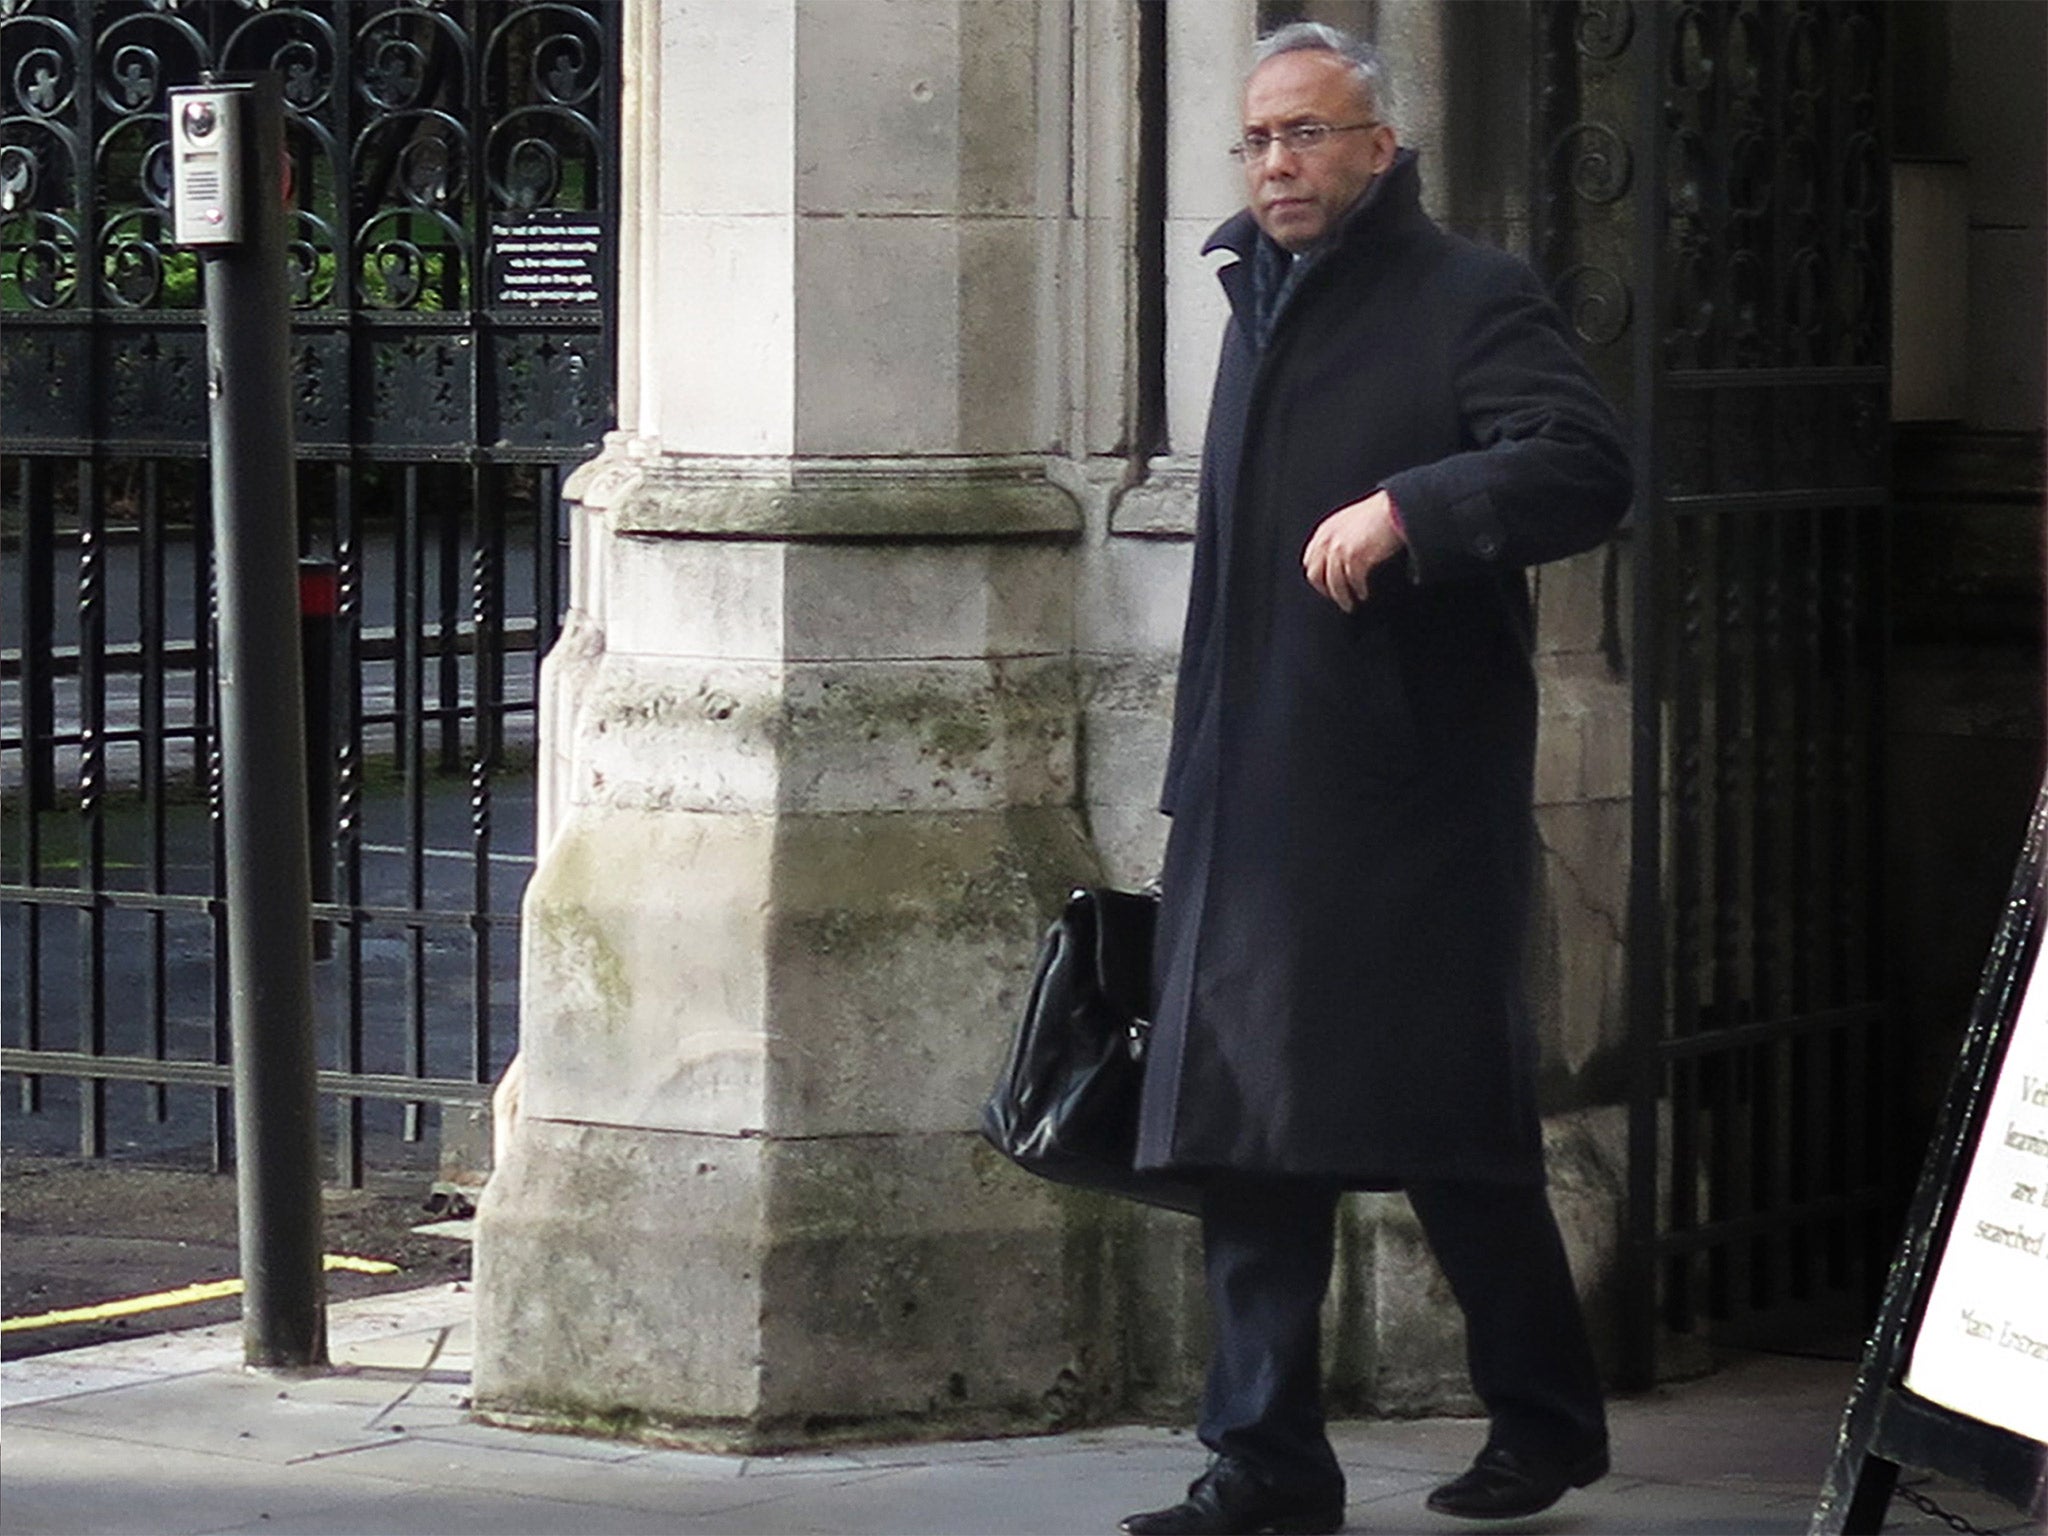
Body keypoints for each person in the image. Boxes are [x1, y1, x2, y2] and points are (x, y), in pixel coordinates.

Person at [1122, 23, 1632, 1536]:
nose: (1278, 162)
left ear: (1381, 147)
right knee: (1242, 1135)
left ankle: (1542, 1424)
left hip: (1407, 802)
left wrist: (1416, 506)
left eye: (1310, 134)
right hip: (1253, 792)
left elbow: (1587, 465)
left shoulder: (1472, 295)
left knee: (1454, 1130)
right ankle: (1266, 1467)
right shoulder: (1246, 297)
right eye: (1260, 139)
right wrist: (1192, 779)